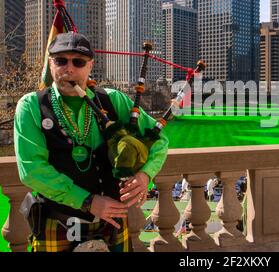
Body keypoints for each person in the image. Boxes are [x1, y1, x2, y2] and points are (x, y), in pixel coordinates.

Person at [14, 32, 169, 252]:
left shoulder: (113, 100)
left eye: (78, 62)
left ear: (90, 66)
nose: (69, 69)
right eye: (61, 61)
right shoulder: (30, 106)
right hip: (56, 221)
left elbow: (159, 139)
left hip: (112, 224)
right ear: (50, 64)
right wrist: (88, 201)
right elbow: (32, 170)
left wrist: (145, 175)